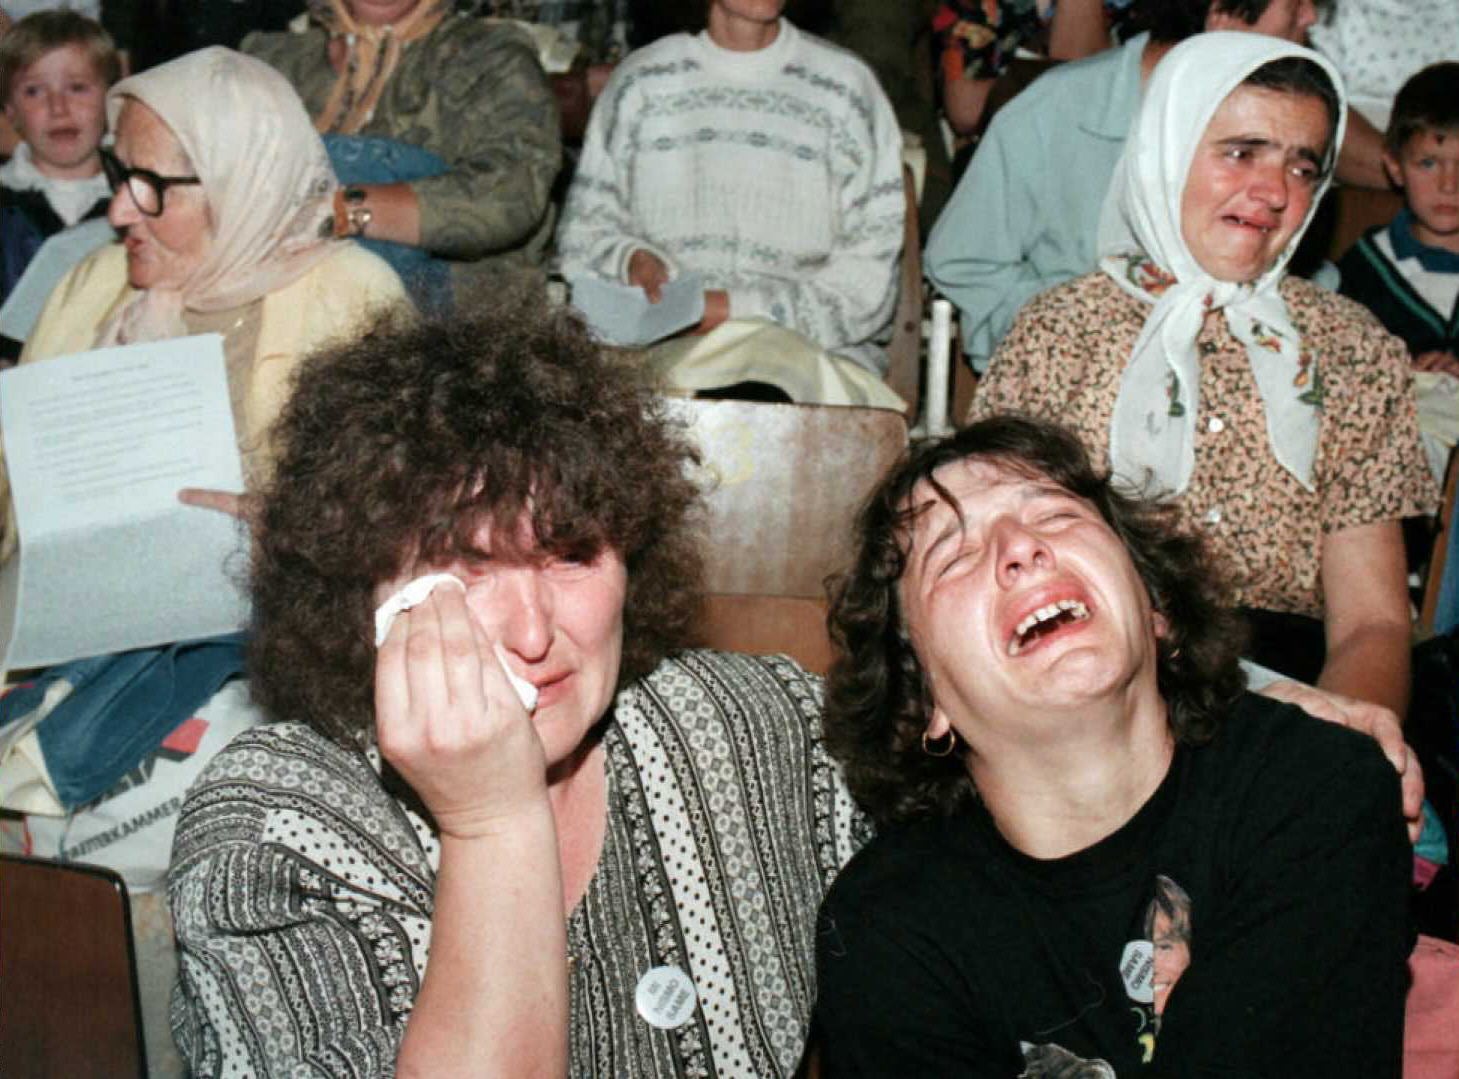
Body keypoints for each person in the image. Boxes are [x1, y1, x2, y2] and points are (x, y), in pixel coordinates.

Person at [167, 304, 869, 1076]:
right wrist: (491, 822)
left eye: (570, 556)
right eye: (467, 568)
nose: (532, 633)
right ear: (361, 592)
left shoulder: (749, 725)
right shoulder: (275, 830)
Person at [0, 46, 404, 1075]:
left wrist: (295, 526)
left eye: (149, 187)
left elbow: (409, 533)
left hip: (277, 663)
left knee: (190, 788)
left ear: (239, 180)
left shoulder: (352, 298)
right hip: (69, 648)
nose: (121, 212)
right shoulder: (91, 288)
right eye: (114, 180)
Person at [813, 415, 1411, 1076]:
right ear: (924, 701)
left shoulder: (1316, 787)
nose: (1020, 547)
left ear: (1155, 609)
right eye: (952, 555)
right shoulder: (888, 926)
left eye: (1056, 515)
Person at [970, 34, 1432, 716]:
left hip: (1295, 706)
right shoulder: (1056, 335)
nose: (1273, 192)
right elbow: (999, 582)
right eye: (1240, 152)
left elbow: (1372, 624)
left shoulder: (1350, 350)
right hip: (1096, 699)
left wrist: (1340, 757)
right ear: (1166, 149)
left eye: (1303, 167)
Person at [925, 0, 1391, 373]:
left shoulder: (1288, 131)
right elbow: (964, 261)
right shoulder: (1058, 108)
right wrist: (1083, 334)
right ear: (1222, 17)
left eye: (1301, 169)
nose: (1309, 17)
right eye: (1294, 4)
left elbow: (1299, 275)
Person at [555, 0, 906, 407]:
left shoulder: (845, 88)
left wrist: (726, 310)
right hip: (662, 355)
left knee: (762, 397)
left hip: (814, 360)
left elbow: (867, 285)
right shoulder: (643, 81)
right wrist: (631, 259)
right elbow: (584, 237)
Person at [244, 0, 561, 311]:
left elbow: (512, 193)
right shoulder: (267, 61)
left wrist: (338, 211)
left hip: (445, 334)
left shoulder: (492, 59)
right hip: (270, 308)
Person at [1337, 63, 1459, 383]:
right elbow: (1338, 368)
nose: (1449, 185)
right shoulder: (1363, 269)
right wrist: (1401, 375)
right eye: (1428, 163)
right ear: (1394, 166)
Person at [0, 9, 116, 306]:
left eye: (77, 87)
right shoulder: (5, 202)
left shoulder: (138, 199)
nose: (58, 107)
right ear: (10, 111)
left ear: (112, 98)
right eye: (34, 91)